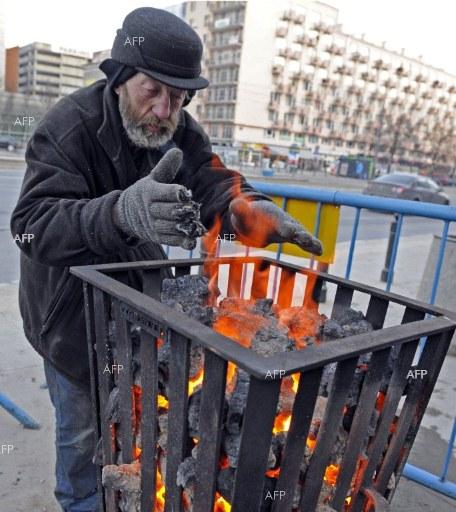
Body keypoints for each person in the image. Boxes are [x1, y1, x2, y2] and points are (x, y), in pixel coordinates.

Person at [10, 7, 322, 511]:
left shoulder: (179, 129)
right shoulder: (68, 126)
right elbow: (29, 227)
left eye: (177, 97)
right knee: (81, 440)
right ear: (118, 78)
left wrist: (247, 208)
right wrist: (119, 214)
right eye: (151, 90)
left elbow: (212, 180)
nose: (163, 109)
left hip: (143, 318)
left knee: (134, 430)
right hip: (71, 324)